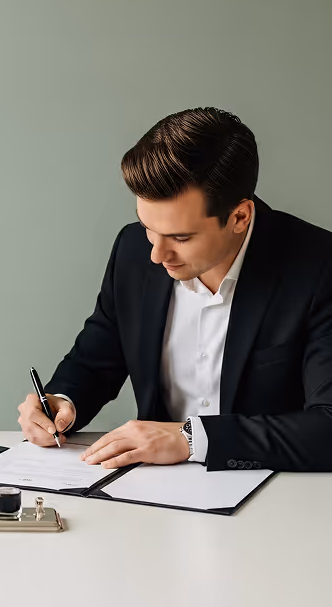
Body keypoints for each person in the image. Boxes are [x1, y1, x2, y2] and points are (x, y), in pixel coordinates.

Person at [18, 107, 332, 472]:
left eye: (180, 237)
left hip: (276, 497)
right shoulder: (133, 249)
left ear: (239, 217)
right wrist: (60, 402)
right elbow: (96, 358)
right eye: (147, 226)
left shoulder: (320, 268)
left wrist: (190, 439)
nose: (156, 254)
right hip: (153, 493)